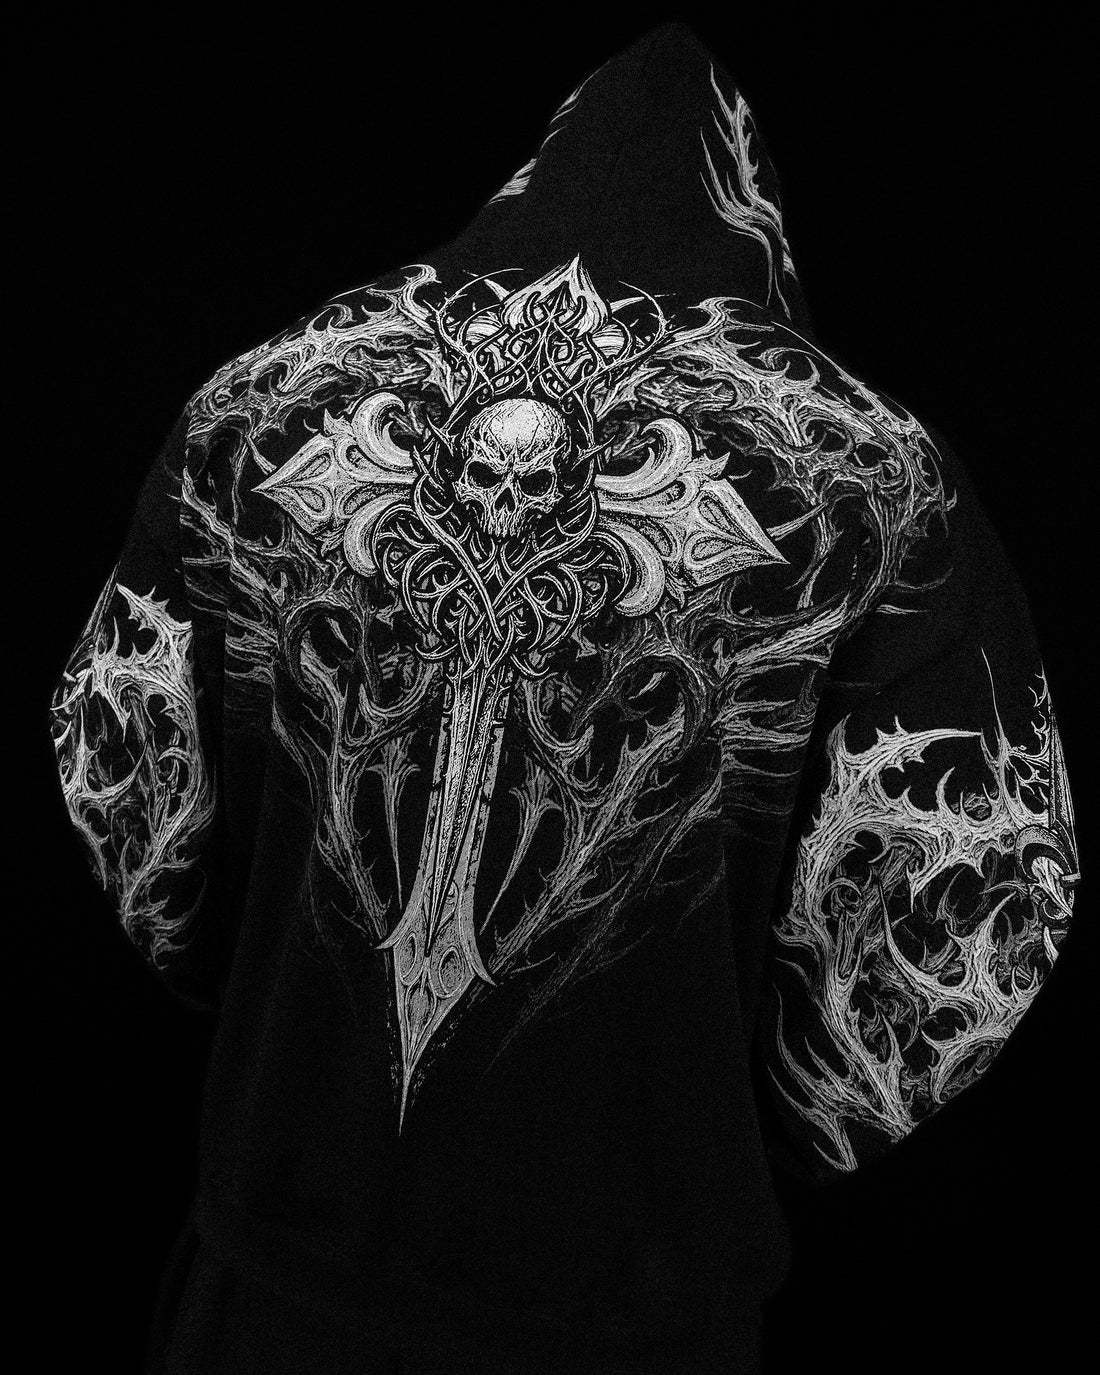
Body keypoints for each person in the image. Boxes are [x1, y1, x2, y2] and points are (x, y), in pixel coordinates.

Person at [48, 23, 1079, 1375]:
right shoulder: (868, 480)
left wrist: (278, 1035)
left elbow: (127, 799)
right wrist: (721, 1134)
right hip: (628, 1319)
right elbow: (973, 924)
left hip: (271, 1279)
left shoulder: (264, 402)